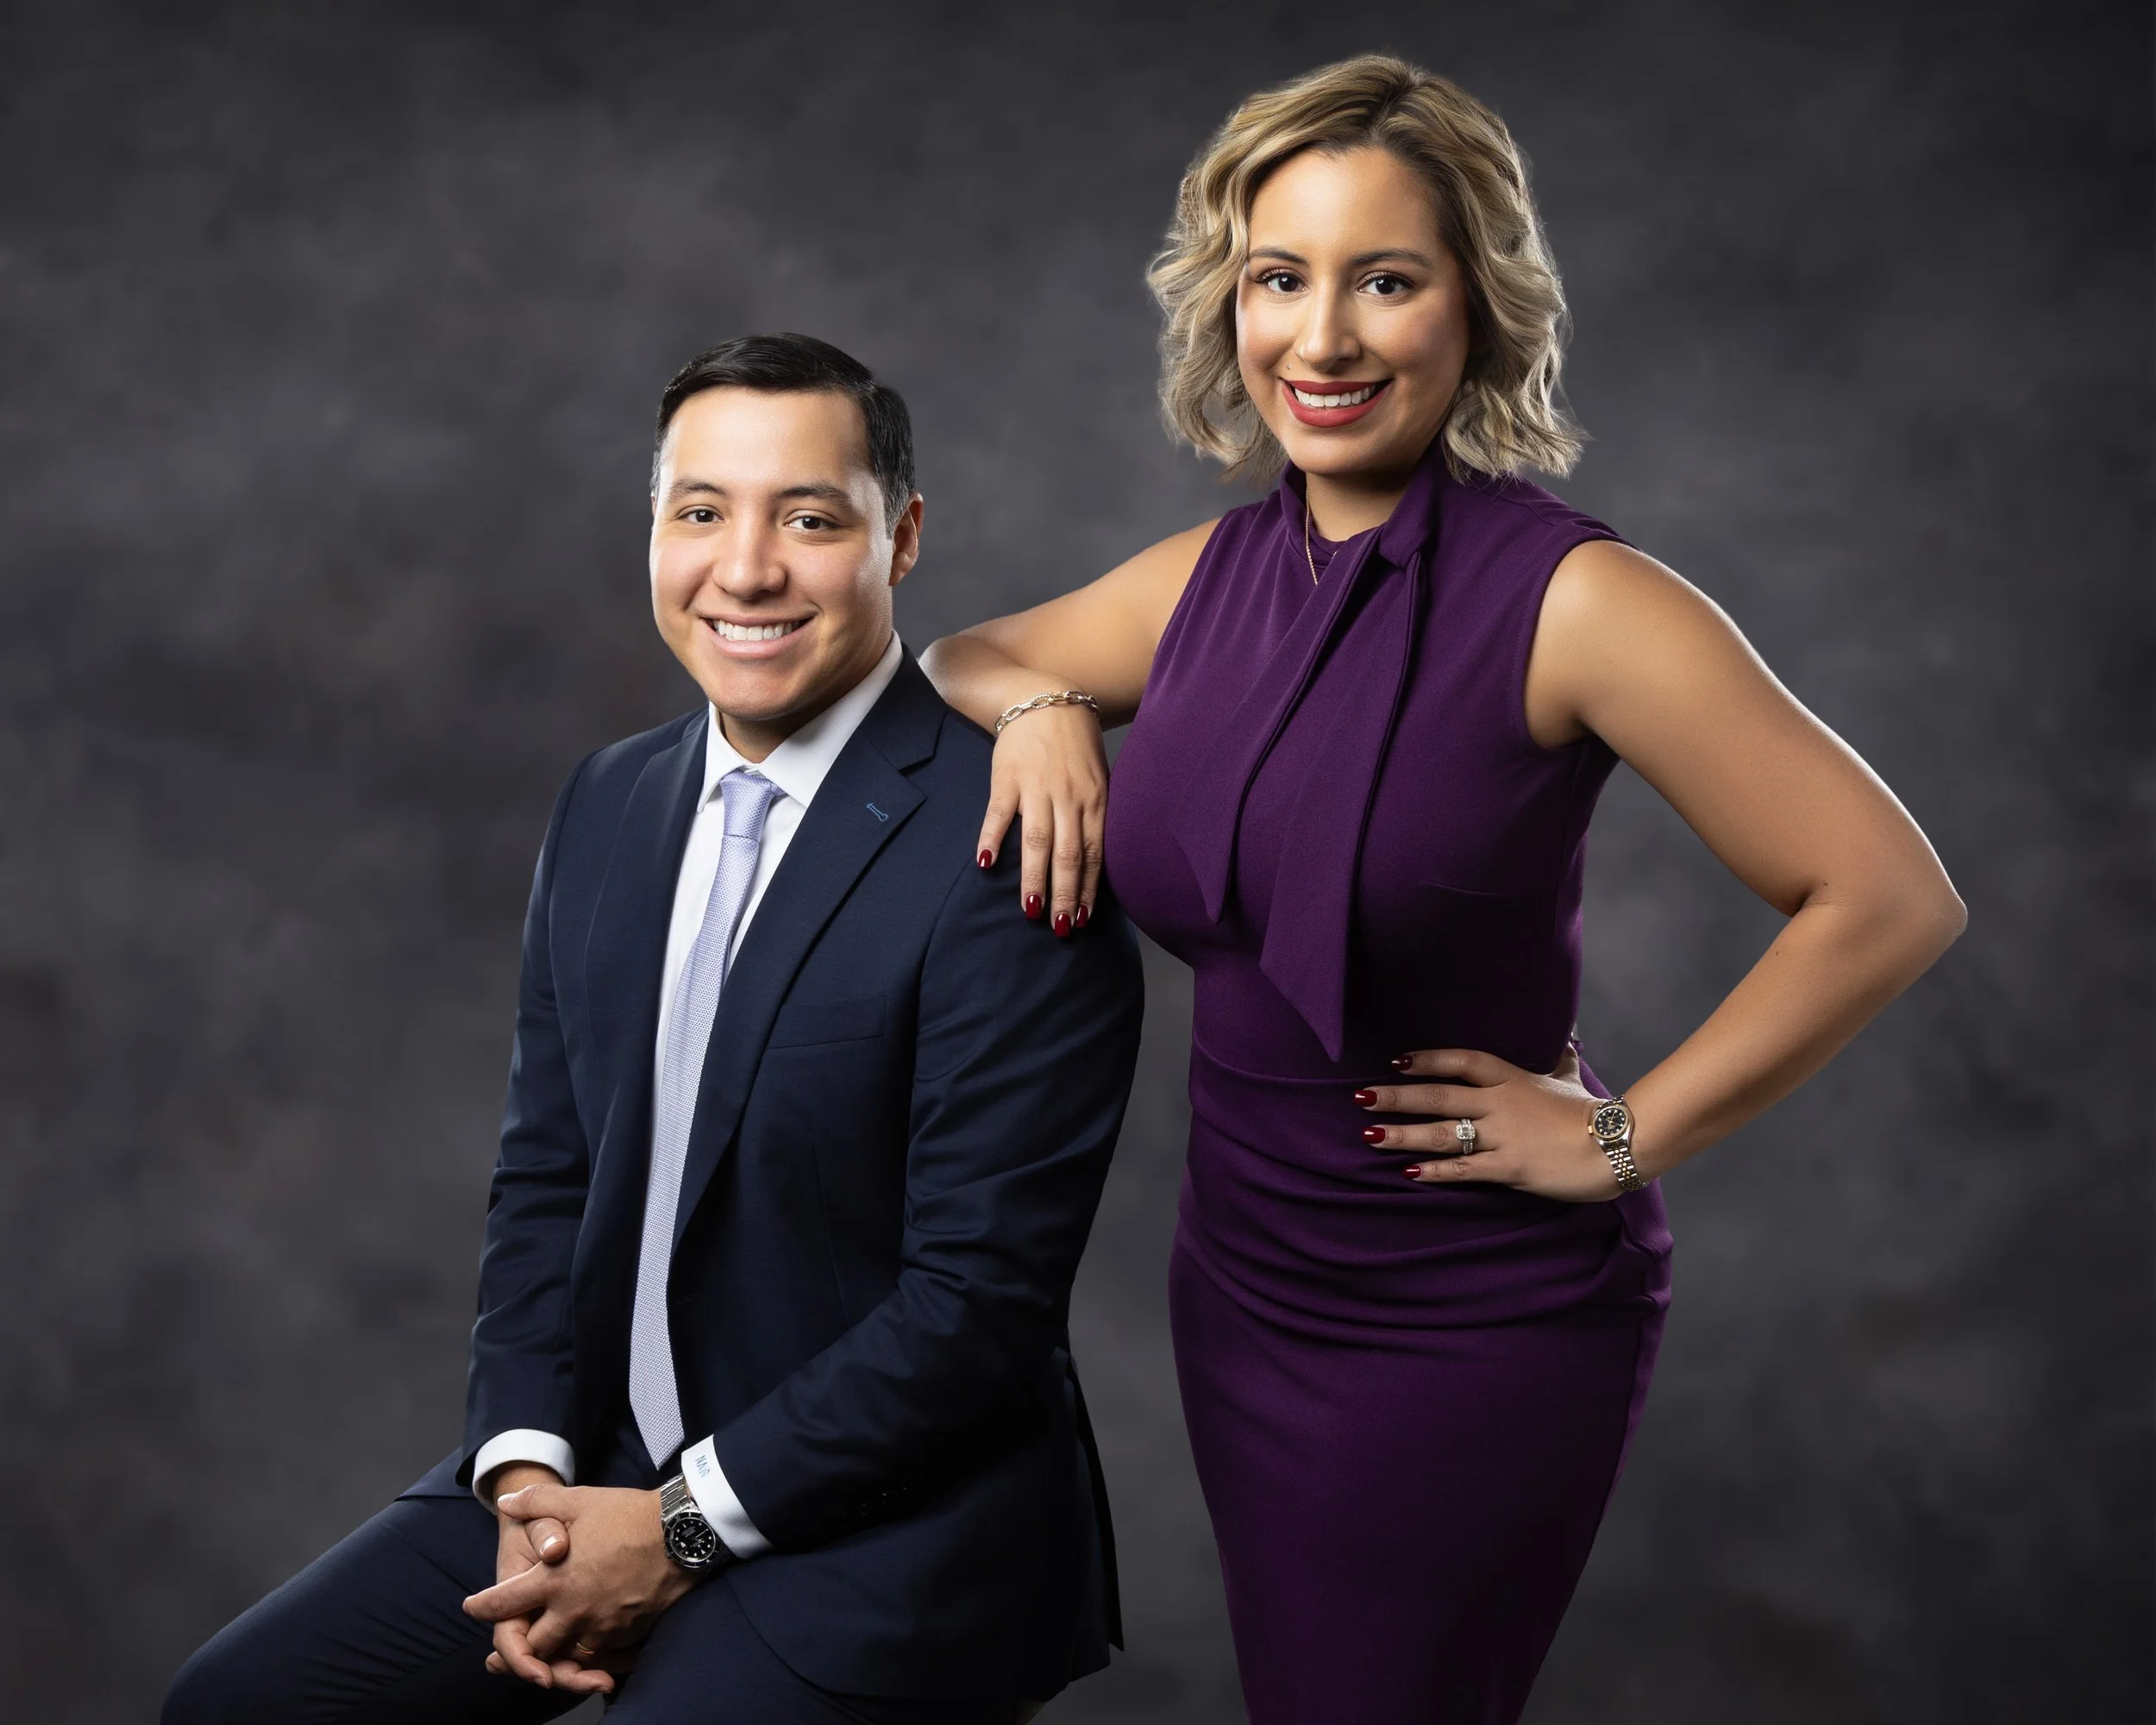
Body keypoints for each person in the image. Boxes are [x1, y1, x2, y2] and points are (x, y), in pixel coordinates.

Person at [921, 54, 1966, 1725]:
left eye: (1383, 280)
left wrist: (1621, 1135)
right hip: (1246, 1280)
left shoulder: (1577, 600)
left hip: (1472, 1319)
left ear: (1476, 307)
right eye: (1279, 278)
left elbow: (1886, 894)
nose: (1320, 339)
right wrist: (1044, 705)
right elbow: (962, 652)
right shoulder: (1209, 578)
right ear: (1231, 304)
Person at [164, 333, 1144, 1725]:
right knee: (240, 1709)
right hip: (598, 1466)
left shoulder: (1005, 833)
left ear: (902, 538)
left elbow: (974, 1314)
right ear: (657, 529)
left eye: (810, 518)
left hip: (881, 1526)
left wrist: (678, 1527)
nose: (745, 571)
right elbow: (549, 1176)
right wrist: (524, 1476)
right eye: (701, 512)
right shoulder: (610, 802)